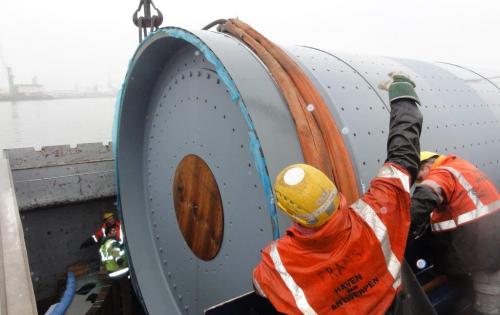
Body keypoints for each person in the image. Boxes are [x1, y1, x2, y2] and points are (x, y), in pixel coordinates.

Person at [252, 73, 423, 314]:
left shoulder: (277, 264)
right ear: (331, 188)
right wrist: (402, 93)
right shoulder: (375, 215)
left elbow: (260, 285)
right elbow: (404, 154)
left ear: (290, 211)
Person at [410, 151, 500, 315]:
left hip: (487, 254)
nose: (421, 181)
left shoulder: (443, 172)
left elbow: (425, 196)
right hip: (488, 245)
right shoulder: (459, 167)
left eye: (420, 176)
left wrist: (404, 222)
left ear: (428, 165)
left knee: (488, 305)